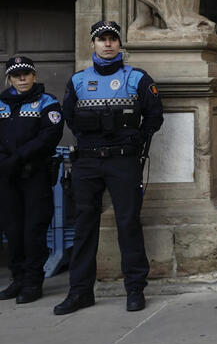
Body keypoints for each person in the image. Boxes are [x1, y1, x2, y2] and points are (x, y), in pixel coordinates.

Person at [56, 20, 163, 315]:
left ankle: (135, 289)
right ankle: (80, 292)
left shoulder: (137, 78)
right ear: (92, 44)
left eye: (112, 39)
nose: (107, 44)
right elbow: (70, 116)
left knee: (128, 223)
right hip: (88, 162)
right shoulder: (78, 80)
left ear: (119, 44)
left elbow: (154, 116)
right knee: (84, 226)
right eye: (101, 39)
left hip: (123, 160)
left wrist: (133, 142)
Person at [0, 56, 64, 304]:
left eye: (27, 74)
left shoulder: (47, 103)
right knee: (13, 232)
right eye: (17, 75)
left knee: (33, 232)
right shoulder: (2, 103)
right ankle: (18, 280)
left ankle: (33, 283)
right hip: (6, 178)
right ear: (10, 79)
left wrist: (16, 158)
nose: (22, 78)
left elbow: (49, 137)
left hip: (35, 175)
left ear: (35, 76)